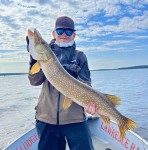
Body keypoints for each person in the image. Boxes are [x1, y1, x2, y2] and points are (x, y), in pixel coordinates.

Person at [27, 16, 98, 150]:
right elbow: (34, 81)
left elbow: (86, 83)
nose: (64, 34)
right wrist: (33, 59)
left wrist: (90, 103)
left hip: (75, 119)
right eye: (60, 31)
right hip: (46, 118)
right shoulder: (47, 55)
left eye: (69, 32)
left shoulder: (80, 56)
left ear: (74, 35)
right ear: (54, 33)